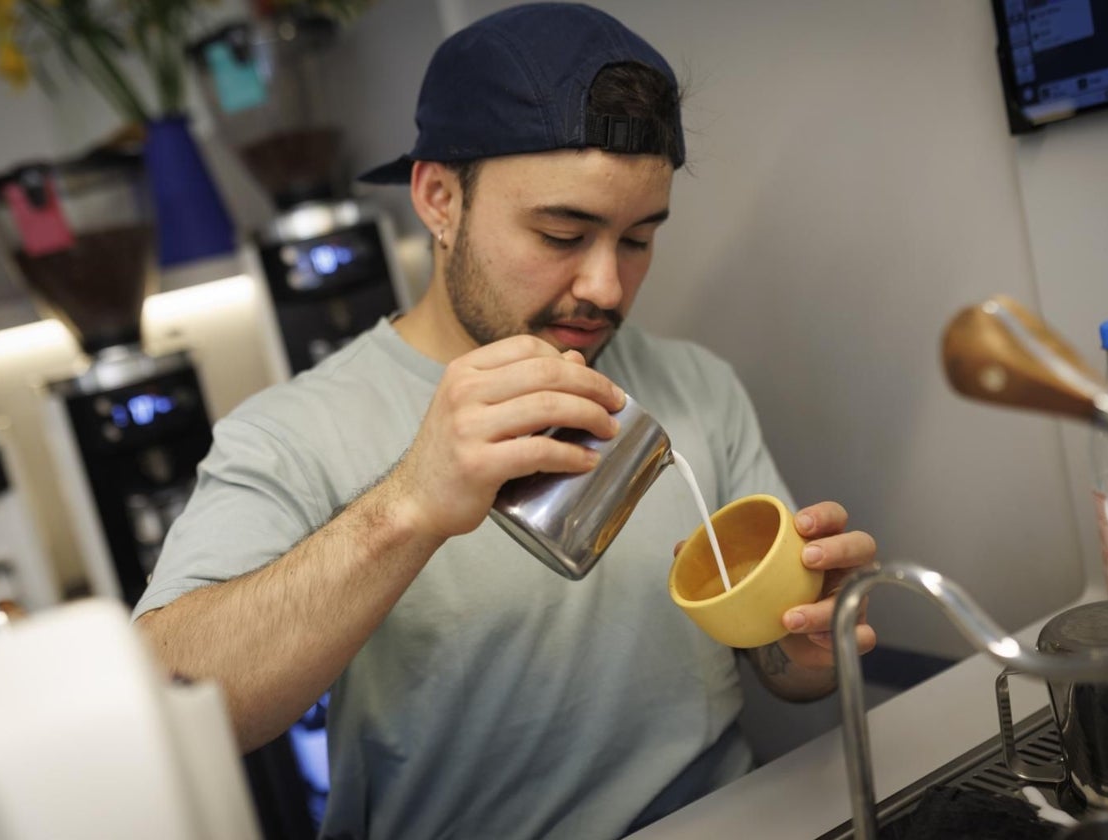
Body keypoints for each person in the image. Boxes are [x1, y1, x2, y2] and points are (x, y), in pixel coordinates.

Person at [133, 3, 878, 838]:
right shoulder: (290, 434)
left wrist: (808, 645)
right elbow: (170, 705)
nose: (604, 286)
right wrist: (405, 506)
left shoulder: (697, 385)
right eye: (564, 232)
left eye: (638, 239)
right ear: (439, 197)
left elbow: (781, 666)